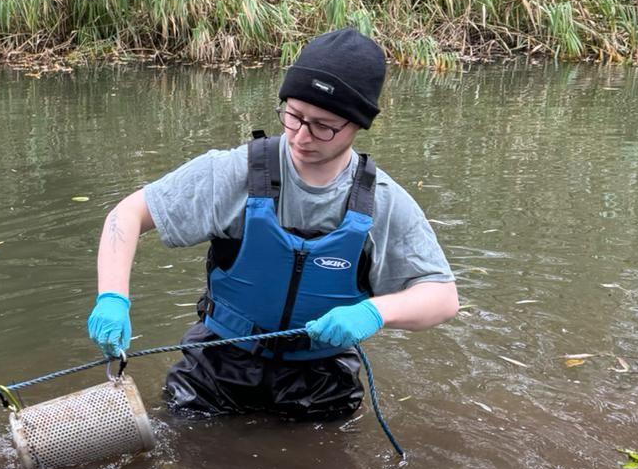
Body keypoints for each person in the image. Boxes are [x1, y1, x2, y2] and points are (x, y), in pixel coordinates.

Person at [86, 28, 458, 420]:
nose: (301, 136)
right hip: (217, 364)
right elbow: (126, 215)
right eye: (294, 115)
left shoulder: (382, 202)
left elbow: (442, 297)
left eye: (323, 125)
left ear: (357, 124)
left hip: (321, 377)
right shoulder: (234, 173)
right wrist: (112, 298)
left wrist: (375, 312)